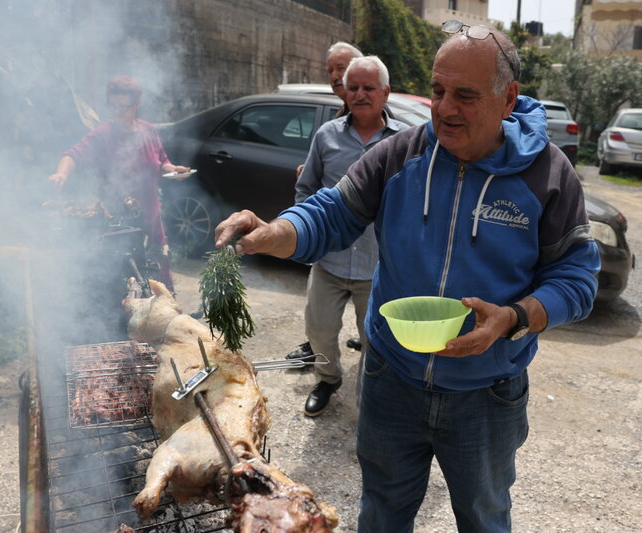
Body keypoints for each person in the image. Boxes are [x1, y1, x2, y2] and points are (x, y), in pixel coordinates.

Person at [215, 21, 600, 532]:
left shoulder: (548, 174)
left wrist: (512, 318)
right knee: (381, 514)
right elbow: (331, 213)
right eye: (438, 91)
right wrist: (275, 231)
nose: (443, 108)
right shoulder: (403, 153)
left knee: (485, 518)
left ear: (508, 99)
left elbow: (577, 279)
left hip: (486, 392)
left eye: (464, 95)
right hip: (391, 378)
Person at [293, 56, 407, 417]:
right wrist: (308, 236)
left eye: (368, 88)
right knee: (320, 330)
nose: (359, 94)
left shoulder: (403, 142)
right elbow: (306, 188)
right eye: (353, 87)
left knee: (375, 339)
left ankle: (369, 395)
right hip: (329, 260)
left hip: (377, 265)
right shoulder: (327, 136)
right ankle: (328, 379)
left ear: (385, 93)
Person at [49, 75, 191, 293]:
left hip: (152, 223)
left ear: (136, 105)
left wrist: (173, 170)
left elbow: (162, 160)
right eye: (112, 105)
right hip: (118, 228)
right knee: (125, 287)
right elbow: (73, 155)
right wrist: (61, 173)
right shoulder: (102, 135)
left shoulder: (148, 130)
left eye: (122, 106)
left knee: (158, 286)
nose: (117, 110)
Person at [287, 41, 364, 363]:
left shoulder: (390, 131)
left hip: (370, 252)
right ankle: (318, 352)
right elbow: (312, 186)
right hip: (332, 247)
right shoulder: (333, 124)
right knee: (320, 322)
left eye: (341, 68)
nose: (335, 76)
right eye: (330, 69)